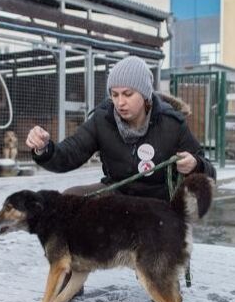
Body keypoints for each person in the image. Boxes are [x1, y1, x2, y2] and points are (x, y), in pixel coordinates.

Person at [26, 55, 216, 201]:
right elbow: (69, 154)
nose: (120, 102)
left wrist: (195, 165)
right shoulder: (102, 120)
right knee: (69, 199)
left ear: (145, 95)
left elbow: (209, 174)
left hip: (158, 202)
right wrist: (44, 148)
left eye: (128, 94)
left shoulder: (172, 123)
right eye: (114, 95)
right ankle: (83, 252)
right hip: (117, 195)